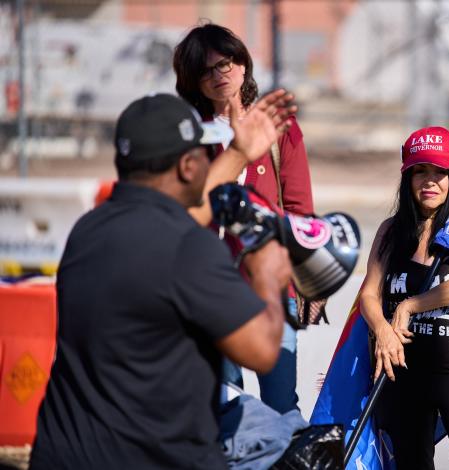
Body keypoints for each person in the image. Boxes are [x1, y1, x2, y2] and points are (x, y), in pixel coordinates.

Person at [29, 92, 295, 470]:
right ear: (189, 166)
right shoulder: (190, 248)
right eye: (205, 154)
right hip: (154, 458)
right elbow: (262, 351)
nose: (208, 161)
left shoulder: (89, 229)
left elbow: (180, 212)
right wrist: (268, 277)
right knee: (277, 432)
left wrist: (238, 152)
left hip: (65, 456)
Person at [173, 23, 313, 414]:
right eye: (206, 70)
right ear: (192, 82)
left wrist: (309, 283)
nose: (221, 75)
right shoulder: (187, 139)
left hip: (273, 291)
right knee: (224, 406)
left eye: (228, 63)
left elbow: (301, 211)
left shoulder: (277, 128)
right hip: (209, 293)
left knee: (282, 406)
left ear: (243, 64)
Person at [359, 127, 449, 470]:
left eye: (440, 172)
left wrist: (410, 305)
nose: (430, 181)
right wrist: (381, 328)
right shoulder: (391, 231)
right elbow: (368, 293)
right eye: (420, 171)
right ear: (407, 177)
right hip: (406, 373)